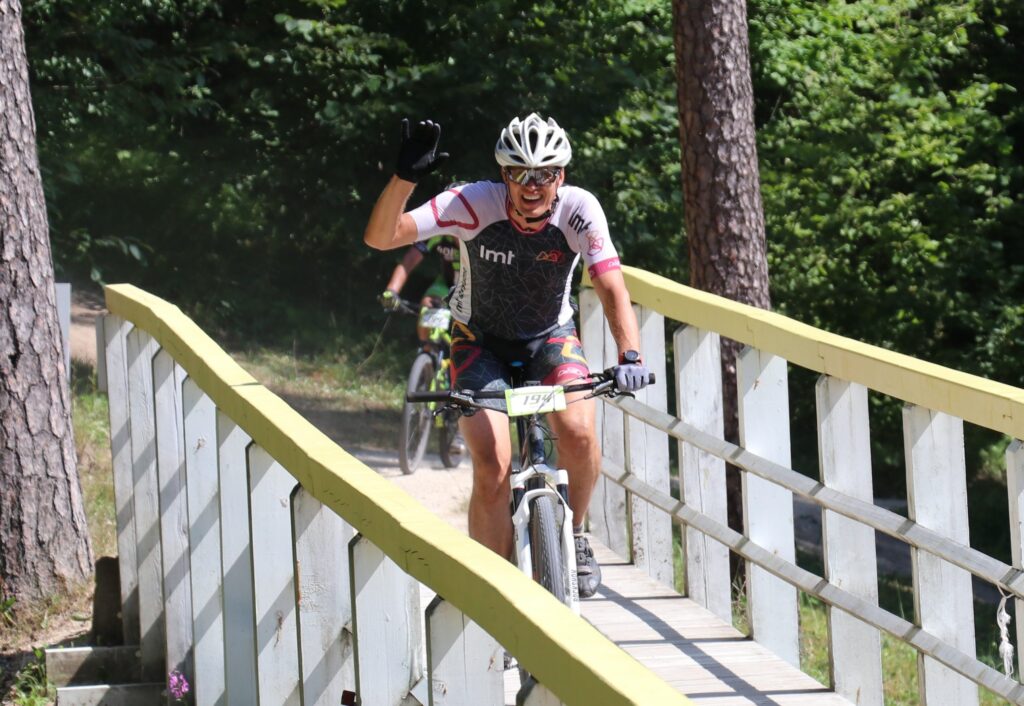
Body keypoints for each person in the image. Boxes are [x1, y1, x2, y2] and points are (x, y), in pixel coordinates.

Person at [363, 114, 650, 598]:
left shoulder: (579, 210)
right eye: (520, 173)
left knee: (579, 432)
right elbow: (381, 237)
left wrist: (631, 356)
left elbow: (610, 286)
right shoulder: (473, 202)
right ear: (504, 175)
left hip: (550, 338)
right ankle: (491, 588)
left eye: (544, 174)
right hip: (479, 341)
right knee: (493, 464)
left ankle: (577, 535)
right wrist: (405, 178)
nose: (532, 186)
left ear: (561, 175)